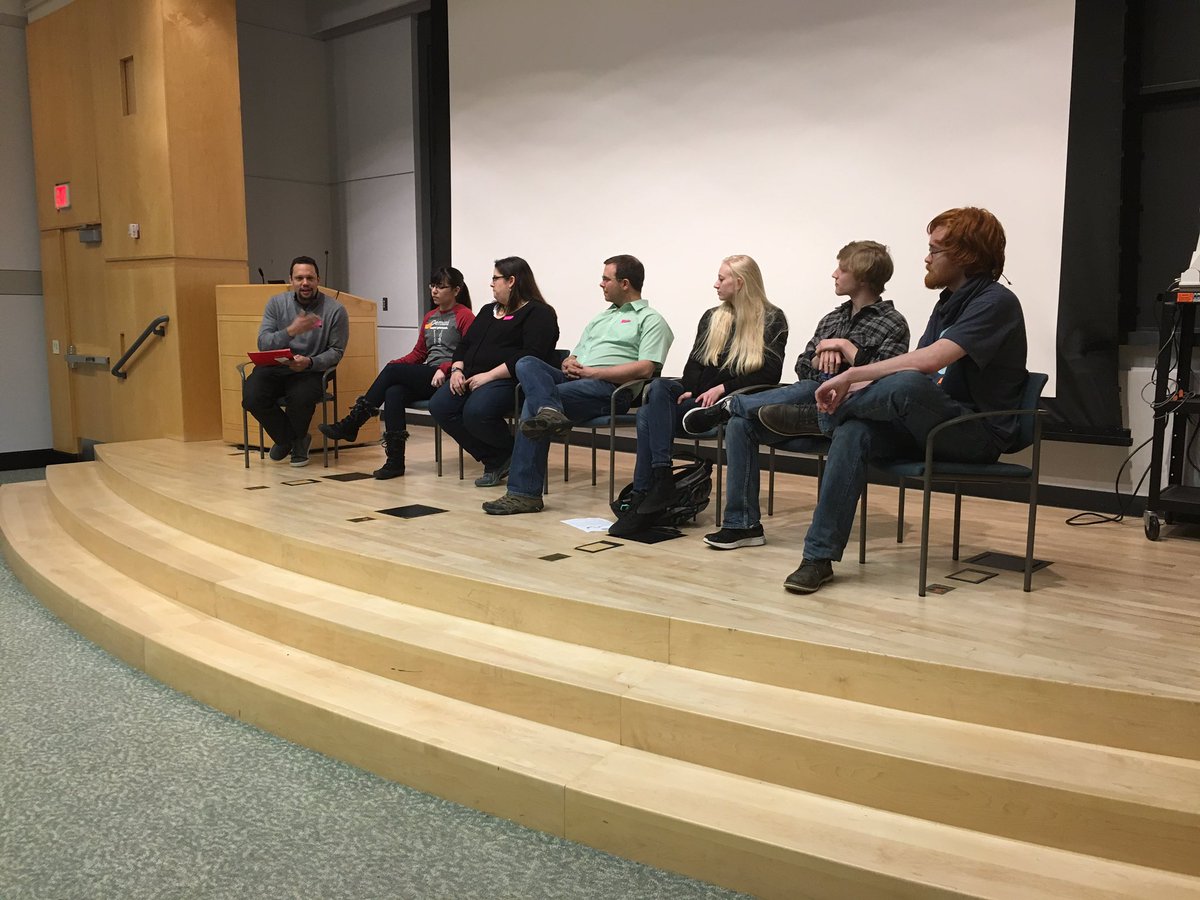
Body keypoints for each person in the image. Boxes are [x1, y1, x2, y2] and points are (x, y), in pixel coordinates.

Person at [767, 208, 1028, 594]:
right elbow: (923, 373)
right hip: (933, 422)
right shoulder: (948, 304)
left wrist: (851, 375)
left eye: (935, 250)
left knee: (905, 385)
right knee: (855, 430)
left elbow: (930, 361)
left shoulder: (996, 302)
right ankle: (817, 559)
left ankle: (817, 421)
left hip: (975, 433)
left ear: (966, 255)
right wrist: (855, 386)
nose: (926, 257)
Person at [682, 240, 909, 550]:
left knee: (801, 392)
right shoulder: (832, 319)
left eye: (841, 269)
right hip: (808, 408)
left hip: (849, 417)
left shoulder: (892, 323)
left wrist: (843, 349)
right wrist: (820, 356)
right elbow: (804, 366)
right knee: (742, 423)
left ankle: (733, 404)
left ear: (862, 276)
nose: (834, 274)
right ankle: (743, 525)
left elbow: (889, 377)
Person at [608, 255, 788, 537]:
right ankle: (660, 477)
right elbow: (693, 365)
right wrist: (692, 387)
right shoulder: (712, 317)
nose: (715, 284)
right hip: (698, 403)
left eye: (721, 278)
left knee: (645, 416)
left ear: (739, 283)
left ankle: (646, 494)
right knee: (657, 389)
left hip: (728, 406)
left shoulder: (772, 319)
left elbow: (769, 373)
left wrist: (722, 389)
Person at [481, 254, 674, 515]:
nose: (601, 284)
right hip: (576, 381)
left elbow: (645, 368)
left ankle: (524, 492)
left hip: (610, 389)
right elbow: (576, 354)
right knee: (526, 362)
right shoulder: (600, 319)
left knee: (532, 405)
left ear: (625, 283)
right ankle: (551, 411)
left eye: (606, 279)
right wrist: (569, 363)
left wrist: (595, 373)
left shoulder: (651, 320)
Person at [319, 267, 475, 479]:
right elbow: (419, 353)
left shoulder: (465, 316)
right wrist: (395, 365)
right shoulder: (430, 316)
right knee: (393, 392)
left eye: (441, 286)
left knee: (393, 373)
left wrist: (444, 368)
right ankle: (395, 462)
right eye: (433, 286)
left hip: (450, 376)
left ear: (456, 290)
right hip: (429, 374)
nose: (435, 291)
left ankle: (352, 423)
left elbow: (470, 354)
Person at [428, 257, 559, 486]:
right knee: (440, 406)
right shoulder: (489, 311)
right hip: (470, 376)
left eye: (495, 278)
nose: (491, 284)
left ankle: (513, 456)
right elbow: (464, 344)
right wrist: (457, 369)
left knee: (476, 411)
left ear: (511, 281)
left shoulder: (539, 313)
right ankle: (499, 457)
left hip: (509, 380)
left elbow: (531, 355)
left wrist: (489, 375)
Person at [242, 256, 348, 467]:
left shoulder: (335, 310)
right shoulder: (276, 303)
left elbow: (336, 351)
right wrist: (291, 331)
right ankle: (292, 440)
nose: (305, 283)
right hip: (276, 366)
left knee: (301, 397)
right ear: (290, 280)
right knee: (252, 396)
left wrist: (309, 362)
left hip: (310, 370)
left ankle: (289, 441)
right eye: (299, 278)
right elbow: (264, 343)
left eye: (309, 277)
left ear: (318, 279)